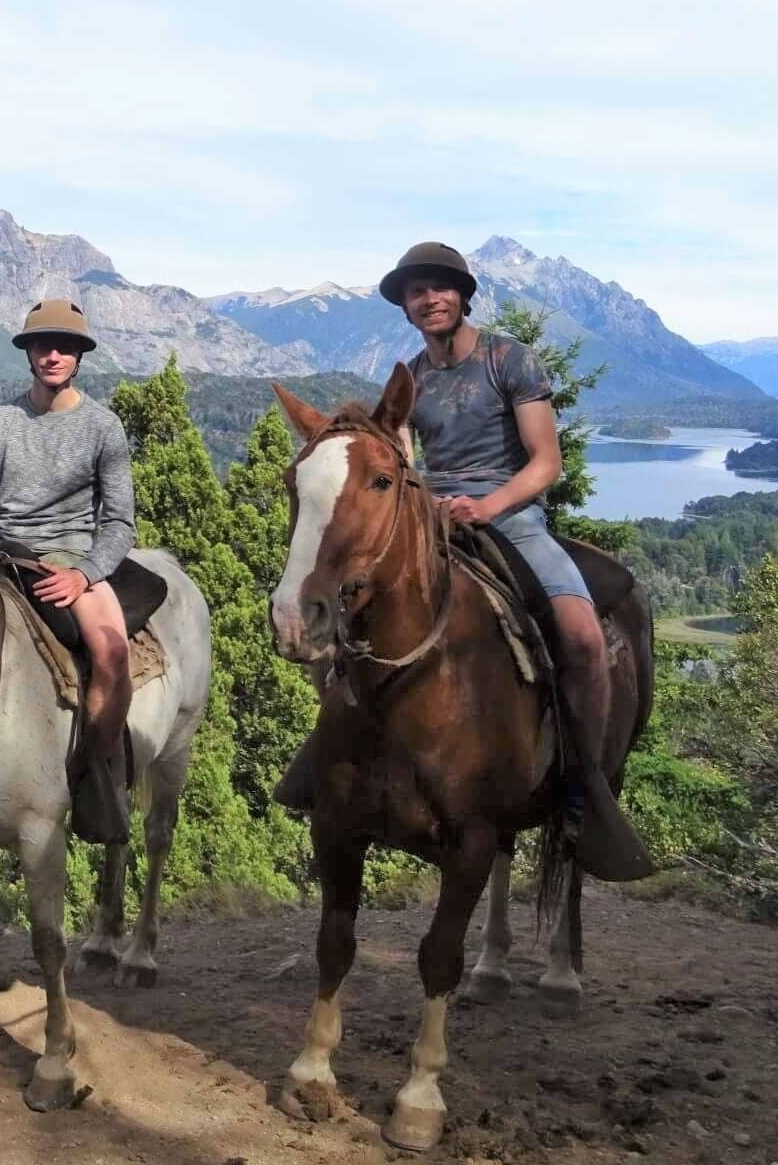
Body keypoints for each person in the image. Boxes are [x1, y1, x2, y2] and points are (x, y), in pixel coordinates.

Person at [279, 242, 653, 881]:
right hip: (432, 517)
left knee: (586, 636)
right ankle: (332, 768)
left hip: (512, 514)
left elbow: (546, 461)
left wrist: (489, 505)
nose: (429, 299)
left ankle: (583, 784)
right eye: (415, 293)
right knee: (353, 616)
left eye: (439, 288)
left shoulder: (509, 359)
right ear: (406, 307)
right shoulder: (411, 379)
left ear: (462, 294)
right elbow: (396, 460)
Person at [0, 297, 137, 844]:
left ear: (80, 356)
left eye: (65, 346)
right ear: (29, 354)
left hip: (68, 557)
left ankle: (94, 775)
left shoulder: (103, 428)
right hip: (3, 552)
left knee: (111, 653)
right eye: (43, 345)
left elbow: (120, 525)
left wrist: (84, 574)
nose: (53, 354)